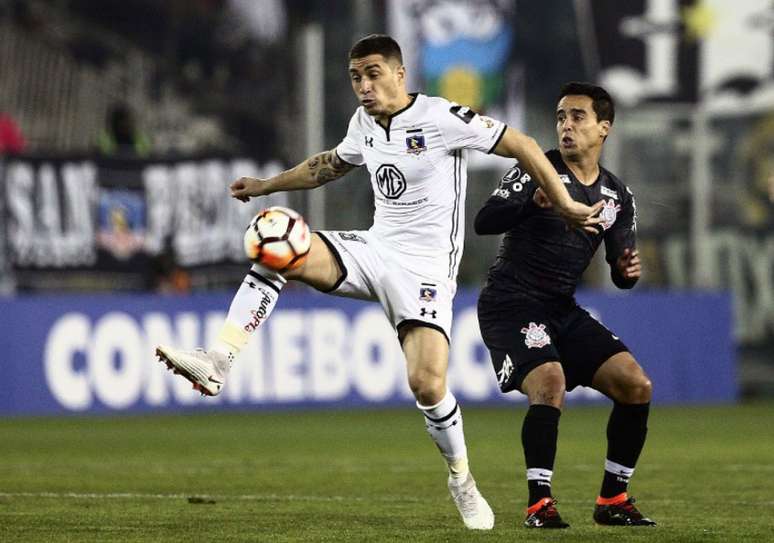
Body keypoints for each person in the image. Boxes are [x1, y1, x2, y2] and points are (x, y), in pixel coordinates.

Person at [156, 35, 601, 531]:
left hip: (426, 270)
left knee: (427, 384)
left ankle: (461, 478)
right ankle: (219, 359)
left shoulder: (440, 118)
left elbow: (519, 143)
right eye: (355, 77)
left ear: (399, 74)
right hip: (374, 248)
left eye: (372, 74)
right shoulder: (363, 124)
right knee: (274, 239)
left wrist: (562, 202)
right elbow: (328, 166)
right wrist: (265, 186)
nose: (363, 86)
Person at [475, 81, 655, 529]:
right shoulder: (537, 170)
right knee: (549, 381)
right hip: (511, 303)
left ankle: (613, 499)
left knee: (636, 386)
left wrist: (627, 272)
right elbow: (484, 221)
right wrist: (529, 205)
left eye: (578, 116)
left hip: (561, 308)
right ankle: (539, 505)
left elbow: (619, 268)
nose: (566, 125)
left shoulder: (617, 197)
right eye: (560, 117)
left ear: (603, 128)